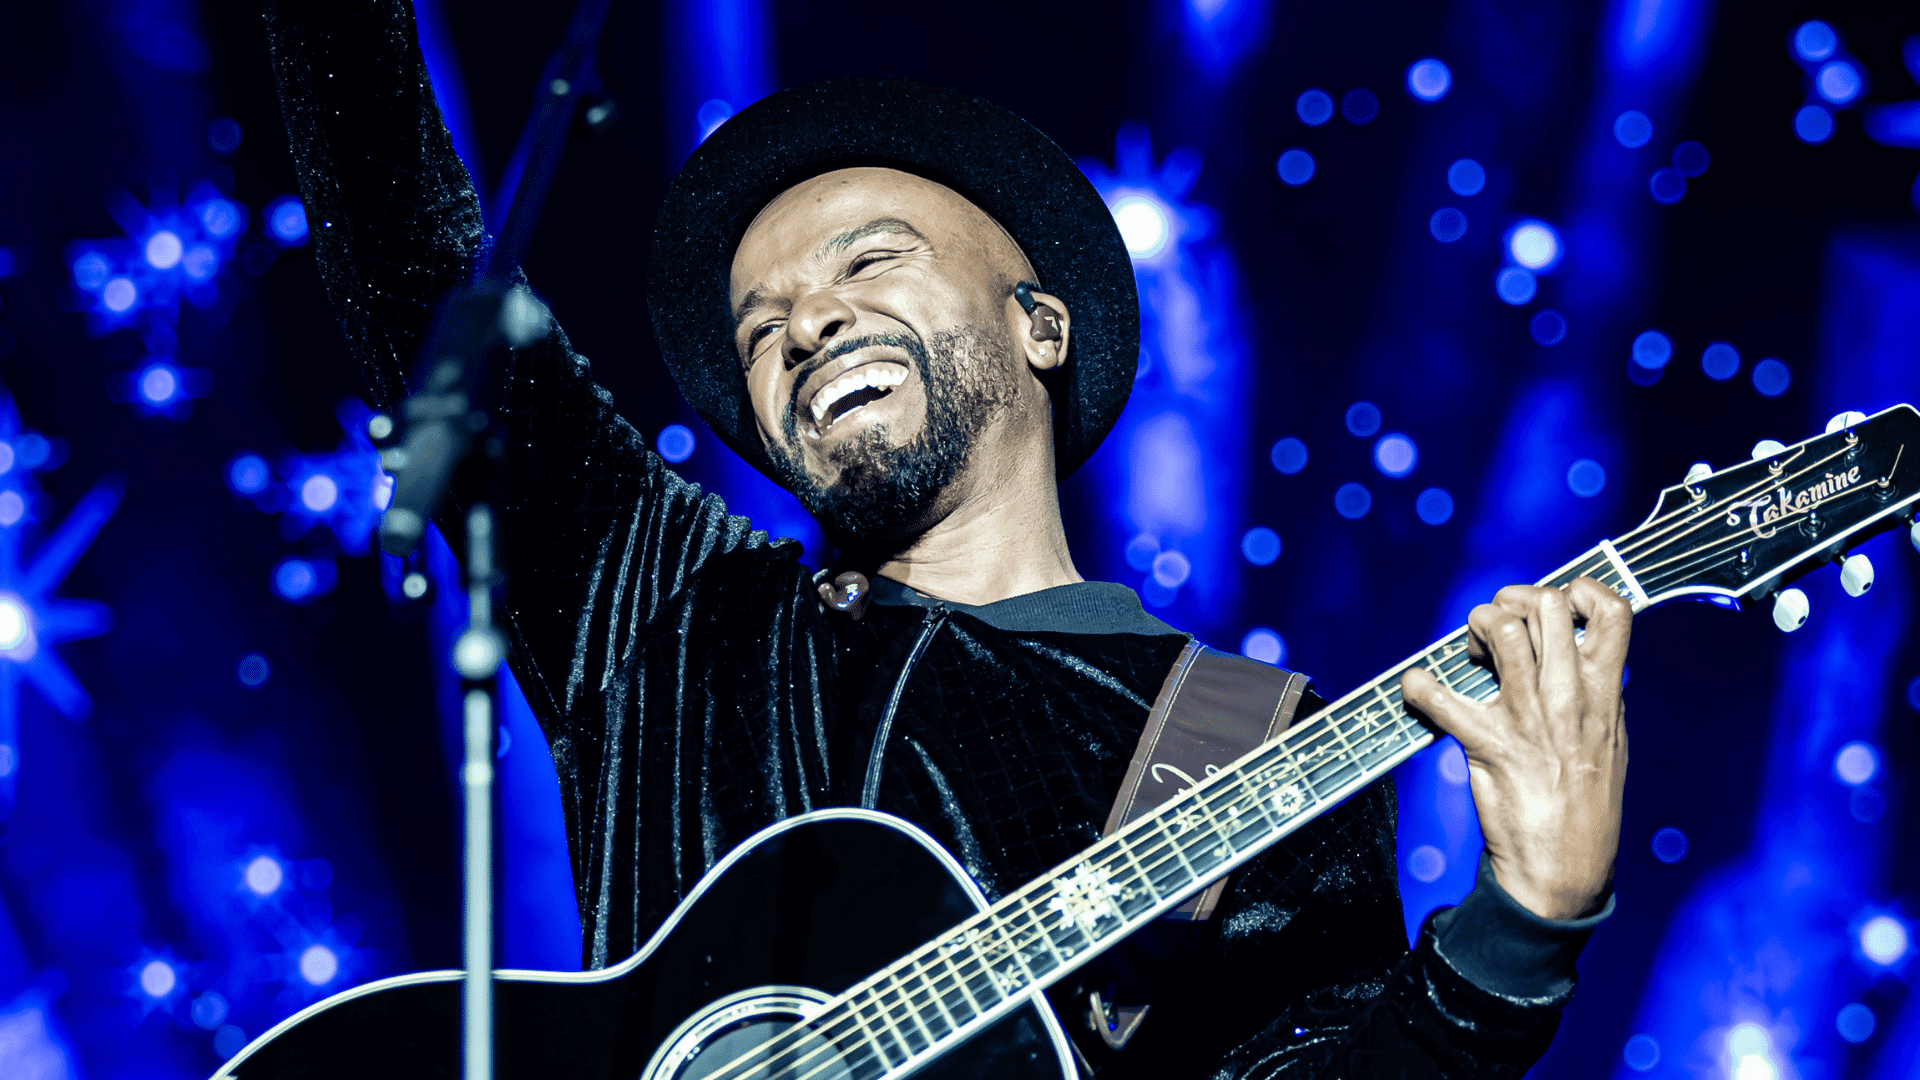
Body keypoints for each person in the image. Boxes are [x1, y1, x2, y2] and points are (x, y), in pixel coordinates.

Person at [262, 3, 1633, 1076]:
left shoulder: (1243, 737)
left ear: (1042, 325)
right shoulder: (671, 614)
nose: (805, 323)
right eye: (760, 331)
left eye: (869, 262)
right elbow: (401, 238)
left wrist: (1519, 935)